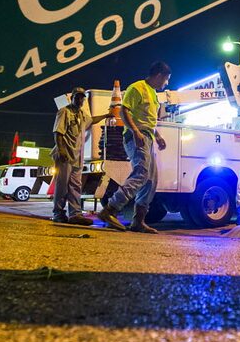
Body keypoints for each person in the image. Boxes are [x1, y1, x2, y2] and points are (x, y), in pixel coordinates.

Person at [98, 61, 171, 233]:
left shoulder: (153, 94)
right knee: (141, 173)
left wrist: (158, 136)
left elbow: (149, 120)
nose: (166, 83)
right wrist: (136, 132)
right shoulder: (137, 87)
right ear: (159, 75)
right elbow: (124, 111)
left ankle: (138, 221)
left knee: (151, 181)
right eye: (166, 79)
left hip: (148, 137)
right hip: (136, 137)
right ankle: (110, 210)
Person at [51, 87, 109, 225]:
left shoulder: (82, 115)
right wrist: (62, 151)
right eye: (77, 97)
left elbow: (92, 120)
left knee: (76, 186)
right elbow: (57, 133)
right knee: (62, 187)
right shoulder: (64, 112)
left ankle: (75, 214)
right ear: (72, 98)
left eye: (82, 98)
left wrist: (106, 115)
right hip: (65, 156)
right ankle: (58, 213)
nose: (80, 100)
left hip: (77, 157)